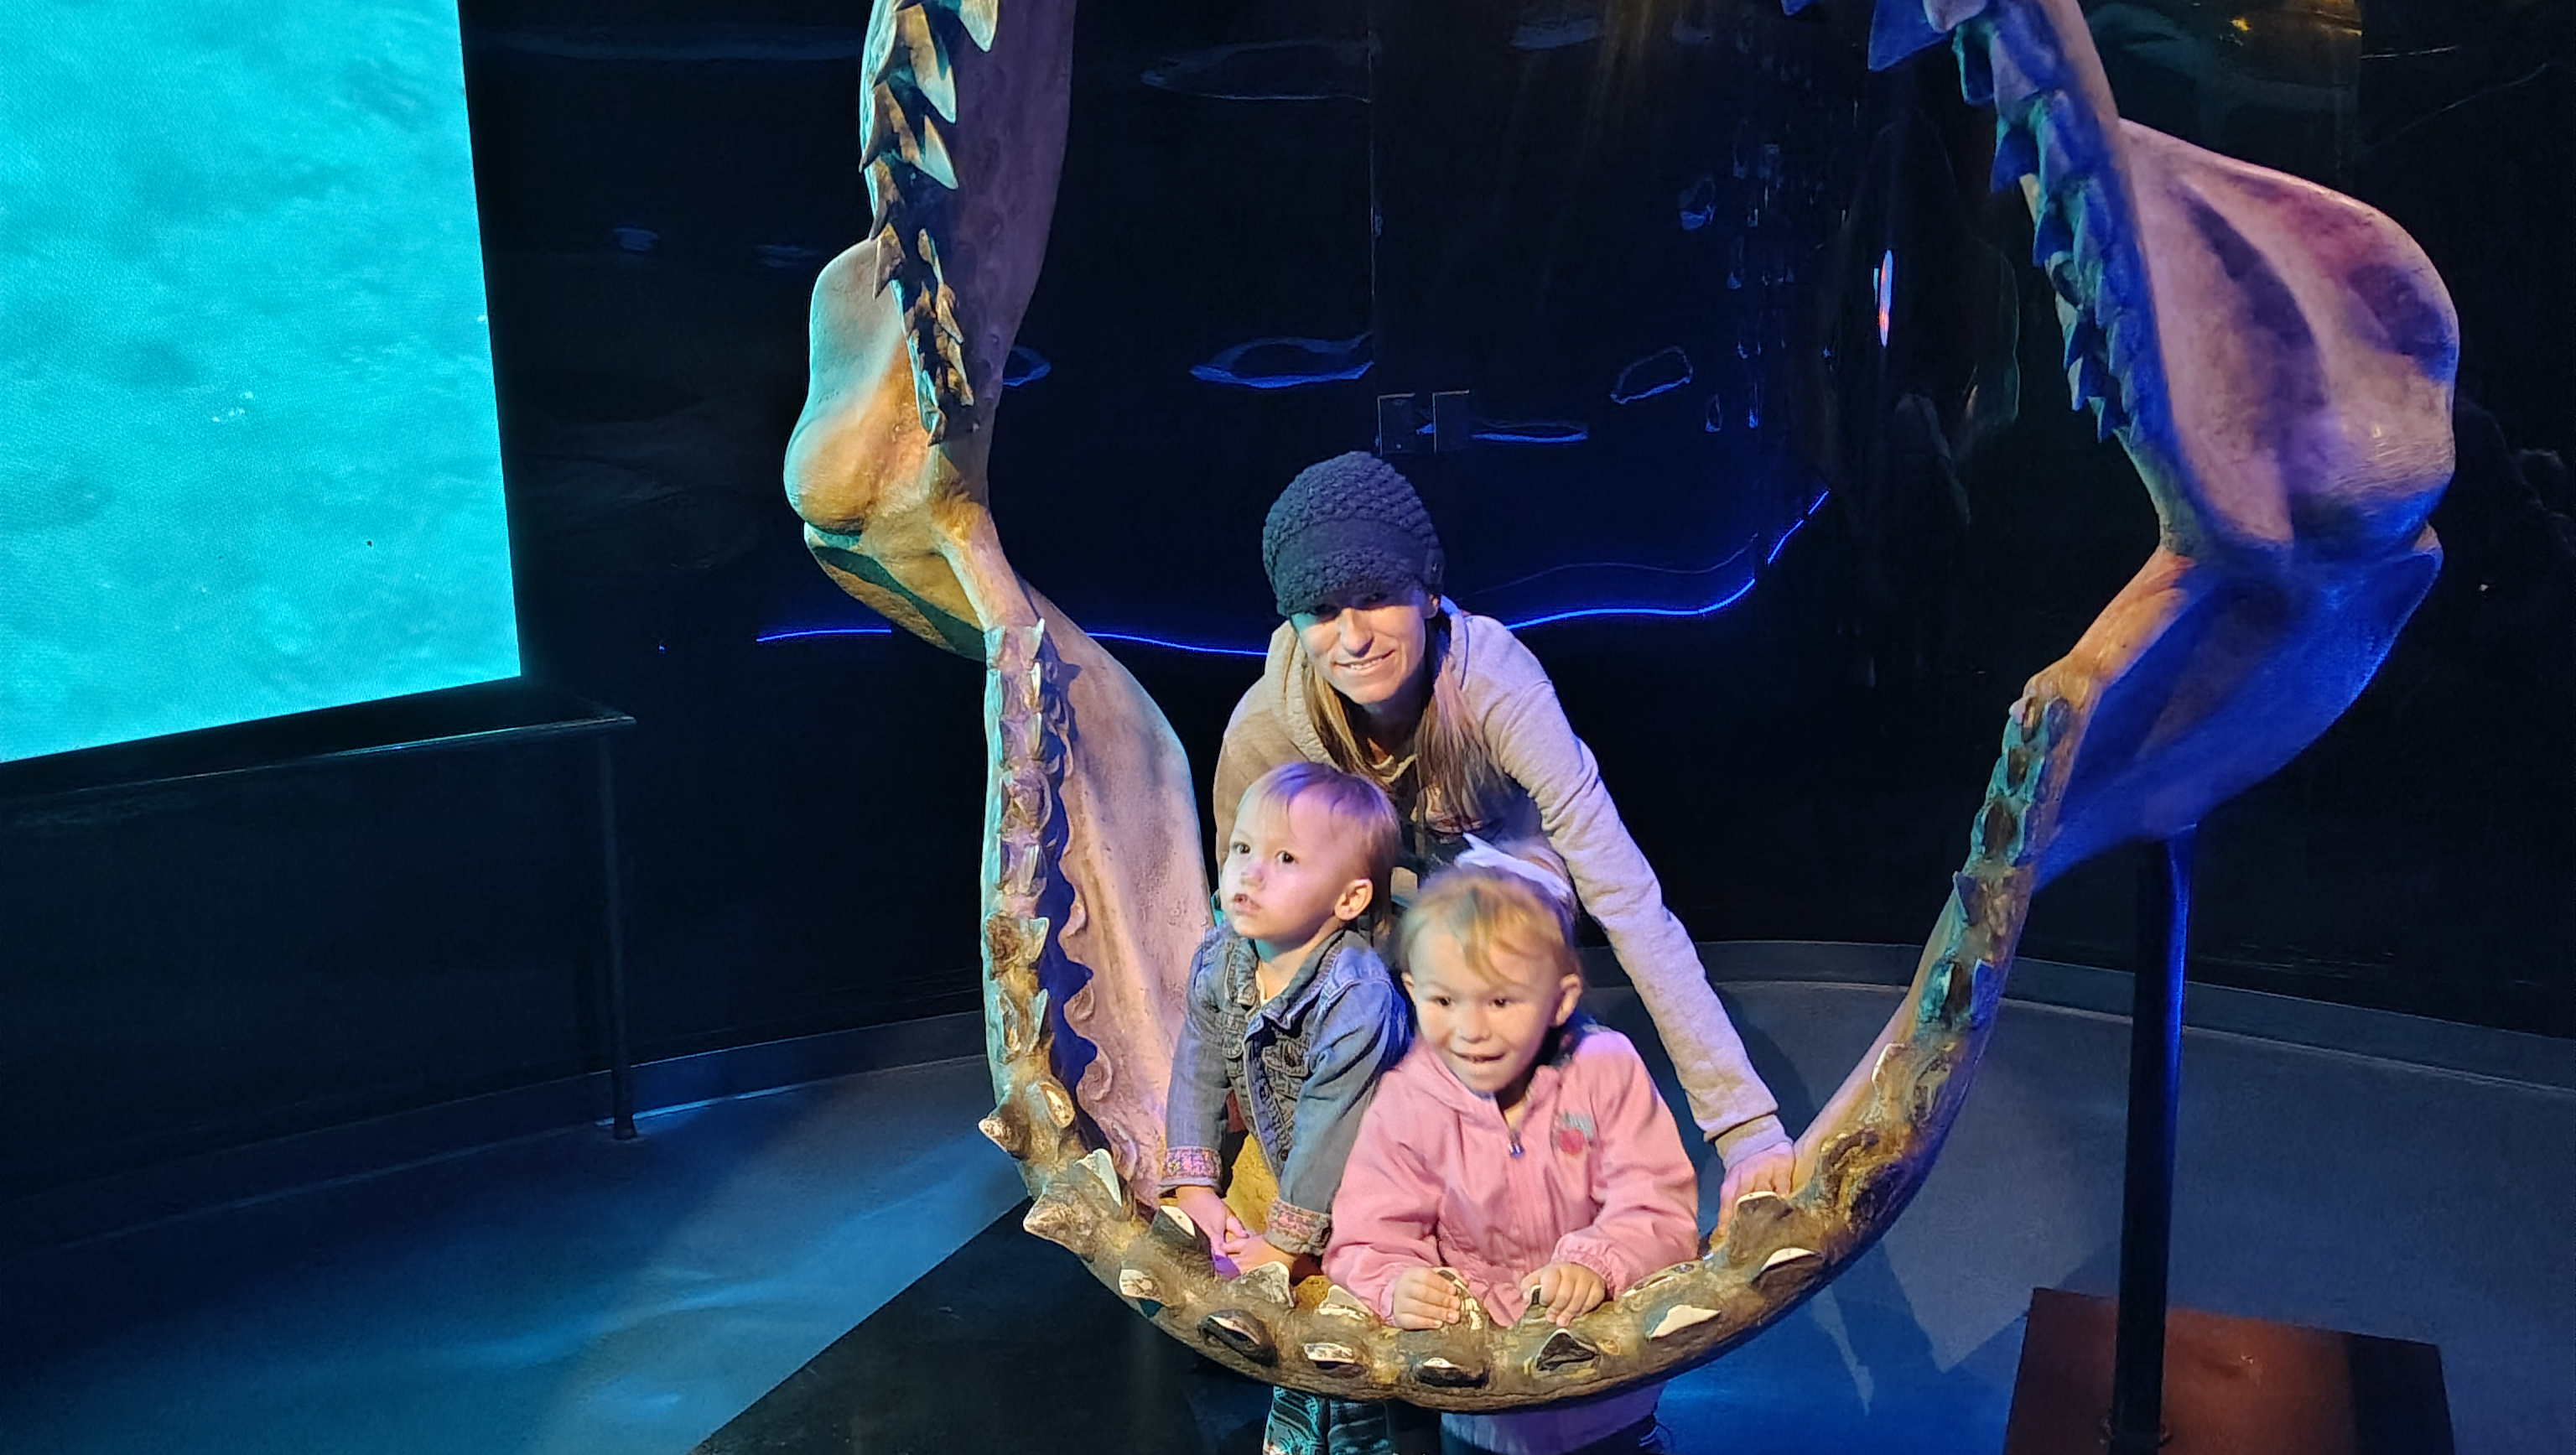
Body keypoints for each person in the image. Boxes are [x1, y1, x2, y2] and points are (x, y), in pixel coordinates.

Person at [1214, 452, 1794, 1219]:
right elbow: (1239, 920)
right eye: (1321, 611)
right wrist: (1228, 1095)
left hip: (1500, 887)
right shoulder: (1266, 727)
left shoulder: (1495, 682)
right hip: (1367, 916)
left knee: (1485, 978)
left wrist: (1746, 1126)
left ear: (1426, 592)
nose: (1352, 637)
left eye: (1376, 596)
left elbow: (1624, 893)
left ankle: (1542, 1134)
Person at [1327, 866, 1699, 1455]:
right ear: (1413, 989)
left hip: (1606, 1392)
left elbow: (1657, 1205)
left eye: (1500, 1000)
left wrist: (1596, 1263)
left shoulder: (1605, 1069)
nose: (1471, 1029)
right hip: (1480, 1409)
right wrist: (1398, 1285)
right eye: (1443, 1000)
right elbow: (1368, 1234)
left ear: (1559, 999)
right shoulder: (1407, 1100)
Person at [1161, 761, 1423, 1455]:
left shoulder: (1355, 996)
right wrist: (1193, 1180)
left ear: (1349, 897)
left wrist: (1283, 1243)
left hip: (1376, 1179)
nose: (1249, 872)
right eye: (1242, 848)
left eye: (1285, 859)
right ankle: (1300, 1395)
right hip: (1287, 1163)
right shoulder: (1223, 954)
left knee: (1354, 1286)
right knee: (1270, 1285)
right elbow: (1198, 1062)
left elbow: (1333, 1132)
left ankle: (1359, 1414)